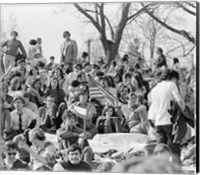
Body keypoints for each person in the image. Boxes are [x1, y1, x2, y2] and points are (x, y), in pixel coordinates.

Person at [148, 69, 185, 159]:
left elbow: (152, 106)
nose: (177, 82)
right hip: (169, 121)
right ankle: (176, 170)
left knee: (160, 149)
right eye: (177, 79)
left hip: (157, 122)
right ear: (172, 78)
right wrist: (183, 112)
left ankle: (160, 169)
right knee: (174, 148)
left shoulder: (155, 88)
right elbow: (180, 101)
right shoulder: (171, 85)